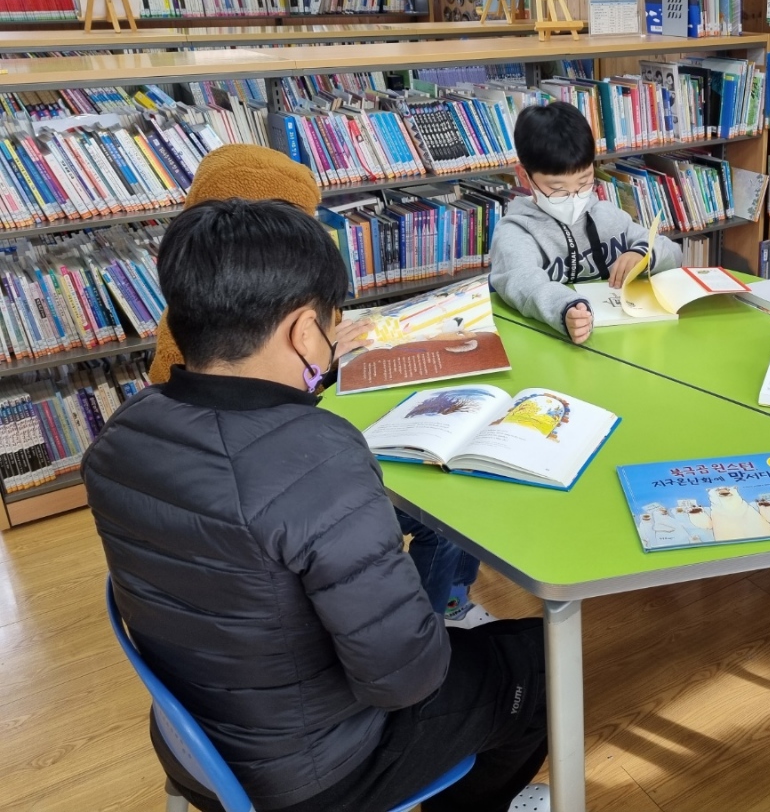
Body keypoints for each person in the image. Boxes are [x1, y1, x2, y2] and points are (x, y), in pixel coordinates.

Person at [84, 199, 549, 812]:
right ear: (304, 331)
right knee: (539, 664)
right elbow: (406, 679)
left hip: (195, 738)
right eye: (331, 328)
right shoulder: (322, 456)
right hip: (316, 776)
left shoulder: (123, 433)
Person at [148, 144, 491, 628]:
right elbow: (390, 649)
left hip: (231, 566)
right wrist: (320, 363)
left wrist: (319, 363)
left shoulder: (147, 404)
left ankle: (449, 602)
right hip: (283, 537)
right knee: (445, 522)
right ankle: (443, 616)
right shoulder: (318, 451)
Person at [490, 100, 682, 344]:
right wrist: (565, 309)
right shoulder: (515, 233)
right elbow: (524, 283)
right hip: (554, 341)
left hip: (622, 337)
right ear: (524, 177)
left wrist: (642, 254)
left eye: (584, 182)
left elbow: (672, 252)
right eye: (557, 189)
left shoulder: (604, 214)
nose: (574, 197)